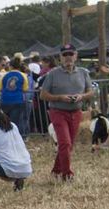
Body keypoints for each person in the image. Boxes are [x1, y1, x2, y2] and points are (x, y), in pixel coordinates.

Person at [39, 44, 93, 181]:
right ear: (60, 58)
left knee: (68, 145)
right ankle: (67, 174)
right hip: (58, 112)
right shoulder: (52, 74)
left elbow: (90, 91)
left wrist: (81, 96)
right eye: (65, 55)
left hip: (76, 112)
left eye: (71, 54)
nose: (68, 57)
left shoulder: (83, 73)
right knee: (65, 143)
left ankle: (56, 170)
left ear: (76, 56)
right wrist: (60, 97)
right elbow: (43, 95)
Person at [0, 57, 31, 139]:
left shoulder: (4, 75)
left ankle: (6, 137)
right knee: (16, 122)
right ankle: (17, 138)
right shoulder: (23, 75)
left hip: (5, 101)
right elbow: (25, 89)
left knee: (5, 121)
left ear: (10, 66)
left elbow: (0, 88)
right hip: (18, 101)